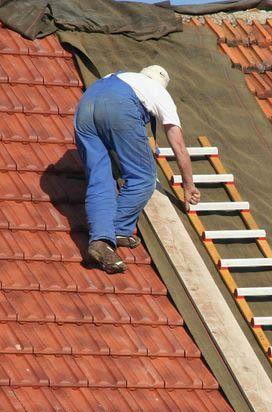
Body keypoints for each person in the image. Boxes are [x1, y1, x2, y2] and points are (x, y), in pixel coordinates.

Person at [74, 65, 200, 274]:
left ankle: (104, 240)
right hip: (119, 106)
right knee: (143, 177)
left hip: (86, 105)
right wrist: (188, 185)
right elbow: (179, 147)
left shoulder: (122, 76)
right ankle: (114, 230)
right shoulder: (160, 93)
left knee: (99, 179)